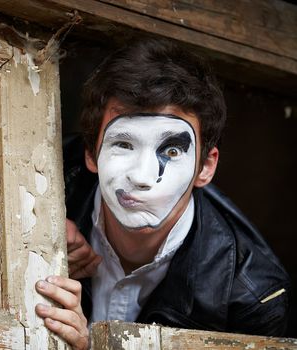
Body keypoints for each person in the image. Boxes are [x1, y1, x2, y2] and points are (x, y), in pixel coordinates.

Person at [34, 37, 291, 349]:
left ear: (205, 167)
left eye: (171, 150)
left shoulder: (253, 297)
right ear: (91, 154)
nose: (142, 177)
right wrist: (35, 230)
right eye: (123, 145)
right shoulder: (41, 181)